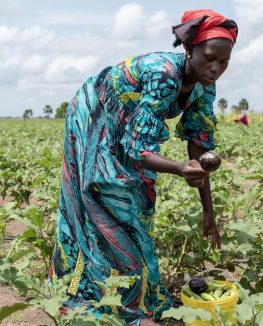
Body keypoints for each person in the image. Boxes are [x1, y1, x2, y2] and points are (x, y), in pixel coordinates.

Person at [50, 9, 238, 326]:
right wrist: (180, 168)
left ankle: (141, 297)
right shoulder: (165, 74)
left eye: (224, 62)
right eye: (209, 58)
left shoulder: (205, 86)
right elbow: (138, 150)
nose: (216, 68)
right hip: (96, 114)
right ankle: (118, 305)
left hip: (128, 128)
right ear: (190, 50)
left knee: (139, 204)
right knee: (109, 197)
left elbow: (199, 147)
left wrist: (209, 210)